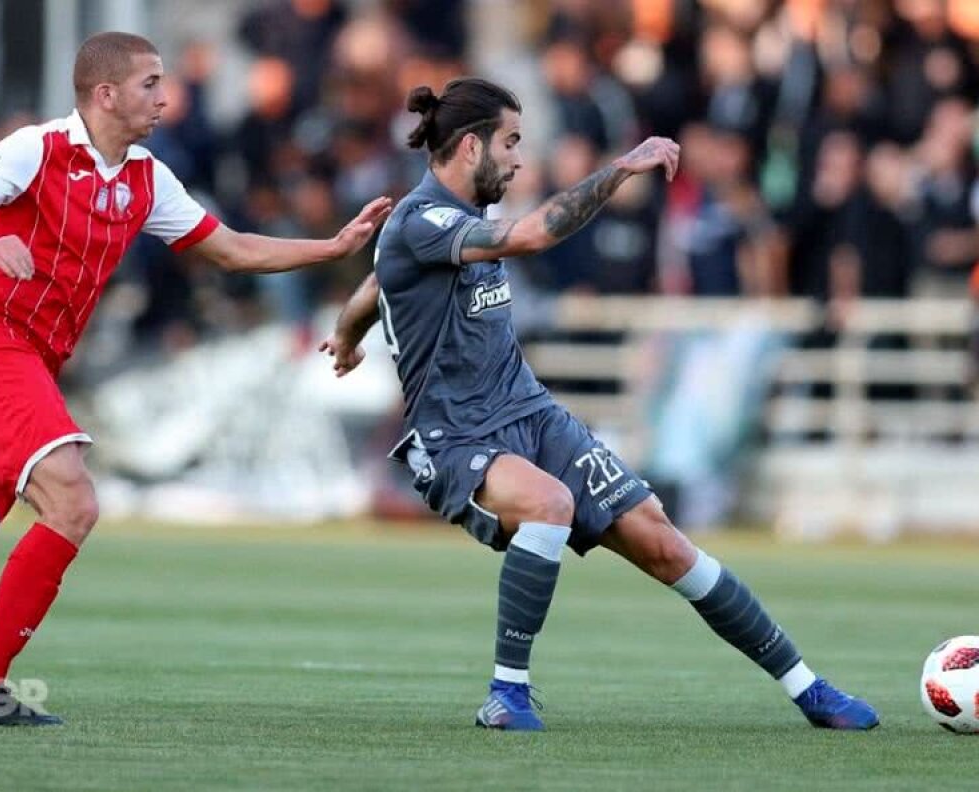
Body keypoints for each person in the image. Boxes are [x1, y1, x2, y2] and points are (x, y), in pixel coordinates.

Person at [0, 31, 390, 726]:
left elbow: (233, 249)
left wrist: (334, 245)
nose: (165, 97)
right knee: (73, 503)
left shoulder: (145, 177)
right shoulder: (36, 150)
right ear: (106, 95)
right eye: (150, 83)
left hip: (29, 365)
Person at [319, 78, 878, 732]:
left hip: (532, 416)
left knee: (665, 543)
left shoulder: (450, 227)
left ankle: (808, 689)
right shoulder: (422, 219)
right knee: (549, 504)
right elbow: (523, 239)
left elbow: (378, 280)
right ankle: (506, 695)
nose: (520, 158)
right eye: (511, 142)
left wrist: (349, 332)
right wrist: (619, 169)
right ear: (471, 148)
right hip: (459, 440)